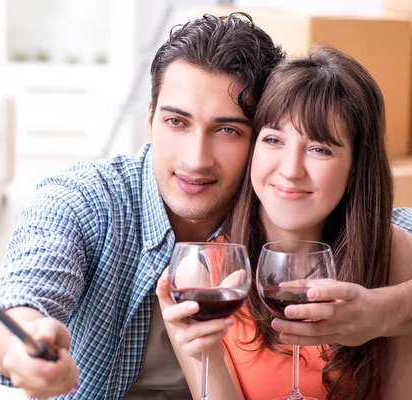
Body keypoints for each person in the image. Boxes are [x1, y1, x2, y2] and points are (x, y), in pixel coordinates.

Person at [0, 13, 412, 400]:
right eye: (177, 122)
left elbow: (388, 231)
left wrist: (386, 312)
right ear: (150, 119)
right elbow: (24, 292)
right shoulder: (89, 201)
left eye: (229, 130)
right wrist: (28, 349)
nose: (196, 158)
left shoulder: (287, 210)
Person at [157, 46, 412, 400]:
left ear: (356, 168)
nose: (290, 171)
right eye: (274, 140)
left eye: (320, 148)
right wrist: (206, 357)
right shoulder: (206, 272)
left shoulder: (392, 251)